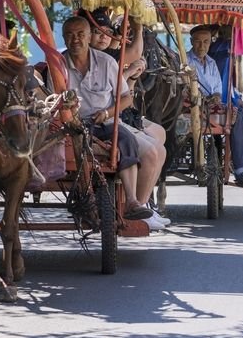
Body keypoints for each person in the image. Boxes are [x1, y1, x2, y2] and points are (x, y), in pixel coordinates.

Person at [62, 15, 167, 227]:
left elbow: (127, 98)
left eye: (81, 35)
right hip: (70, 126)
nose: (75, 40)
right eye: (70, 35)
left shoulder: (107, 62)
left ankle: (132, 201)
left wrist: (108, 114)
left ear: (89, 37)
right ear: (64, 39)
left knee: (127, 140)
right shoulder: (58, 64)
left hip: (105, 122)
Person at [189, 24, 243, 191]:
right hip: (195, 107)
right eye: (198, 42)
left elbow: (218, 86)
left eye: (206, 42)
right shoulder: (186, 61)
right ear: (191, 42)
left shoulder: (211, 62)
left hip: (214, 106)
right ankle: (240, 169)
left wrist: (216, 96)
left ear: (210, 43)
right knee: (234, 117)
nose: (202, 46)